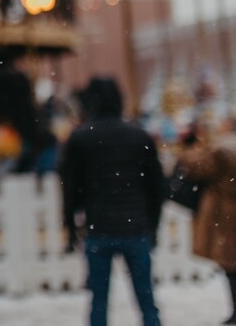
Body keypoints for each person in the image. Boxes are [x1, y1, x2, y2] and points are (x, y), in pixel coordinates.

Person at [58, 77, 165, 326]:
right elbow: (156, 187)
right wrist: (153, 226)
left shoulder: (80, 139)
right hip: (136, 226)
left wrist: (71, 227)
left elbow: (70, 189)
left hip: (99, 227)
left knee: (98, 302)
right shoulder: (139, 137)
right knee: (146, 299)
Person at [178, 115, 236, 324]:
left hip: (226, 214)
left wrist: (187, 147)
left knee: (232, 265)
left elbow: (197, 168)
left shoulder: (221, 148)